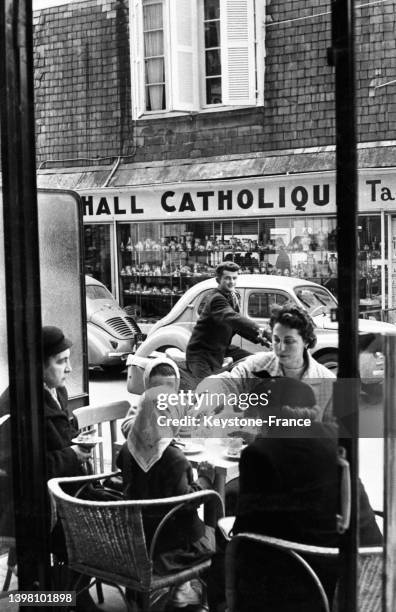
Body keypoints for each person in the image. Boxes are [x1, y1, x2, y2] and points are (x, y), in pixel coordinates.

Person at [207, 378, 382, 612]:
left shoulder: (259, 454)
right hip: (362, 580)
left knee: (224, 548)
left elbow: (245, 532)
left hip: (300, 588)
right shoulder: (338, 440)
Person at [117, 361, 217, 610]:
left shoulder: (127, 449)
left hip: (138, 540)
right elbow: (187, 502)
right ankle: (197, 594)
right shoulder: (174, 459)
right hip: (170, 549)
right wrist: (204, 478)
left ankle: (177, 590)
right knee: (215, 531)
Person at [42, 325, 101, 612]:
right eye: (61, 361)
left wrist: (78, 441)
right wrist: (74, 453)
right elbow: (27, 466)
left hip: (70, 491)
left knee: (120, 510)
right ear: (39, 364)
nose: (69, 368)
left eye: (68, 359)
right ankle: (69, 597)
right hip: (42, 505)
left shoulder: (57, 391)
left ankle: (74, 593)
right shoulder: (20, 403)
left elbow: (61, 437)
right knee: (99, 526)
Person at [196, 302, 335, 421]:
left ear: (306, 341)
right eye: (276, 340)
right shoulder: (256, 365)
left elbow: (333, 435)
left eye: (289, 341)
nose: (280, 348)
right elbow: (226, 382)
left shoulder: (329, 382)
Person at [185, 262, 264, 382]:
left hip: (222, 348)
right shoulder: (216, 298)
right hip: (201, 355)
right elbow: (233, 318)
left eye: (234, 278)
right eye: (227, 278)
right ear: (218, 280)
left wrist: (262, 339)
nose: (231, 281)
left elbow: (237, 326)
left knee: (254, 362)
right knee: (207, 389)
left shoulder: (233, 297)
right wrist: (262, 331)